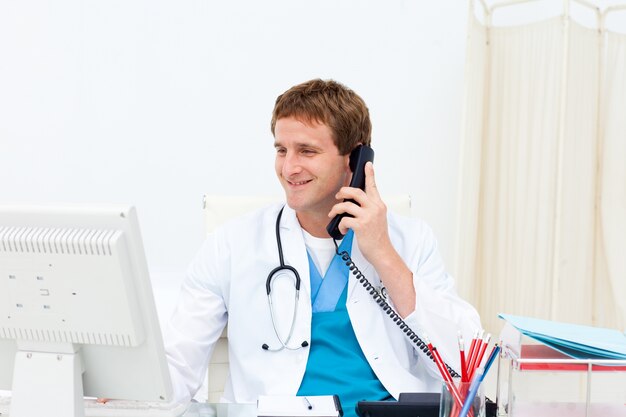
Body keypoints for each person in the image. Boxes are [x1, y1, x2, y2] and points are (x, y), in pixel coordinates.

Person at [164, 79, 481, 414]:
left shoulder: (411, 241)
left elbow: (466, 365)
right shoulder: (231, 244)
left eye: (307, 151)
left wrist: (384, 255)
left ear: (355, 160)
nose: (289, 168)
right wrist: (127, 393)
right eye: (281, 150)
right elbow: (178, 361)